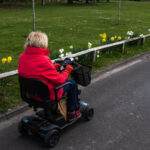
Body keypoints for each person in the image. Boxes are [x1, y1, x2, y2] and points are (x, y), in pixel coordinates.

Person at [18, 31, 81, 121]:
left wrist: (53, 67)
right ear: (43, 43)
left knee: (67, 83)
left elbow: (37, 71)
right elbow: (60, 80)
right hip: (47, 95)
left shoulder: (22, 57)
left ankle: (57, 109)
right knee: (72, 83)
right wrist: (67, 71)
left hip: (31, 93)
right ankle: (71, 112)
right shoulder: (44, 59)